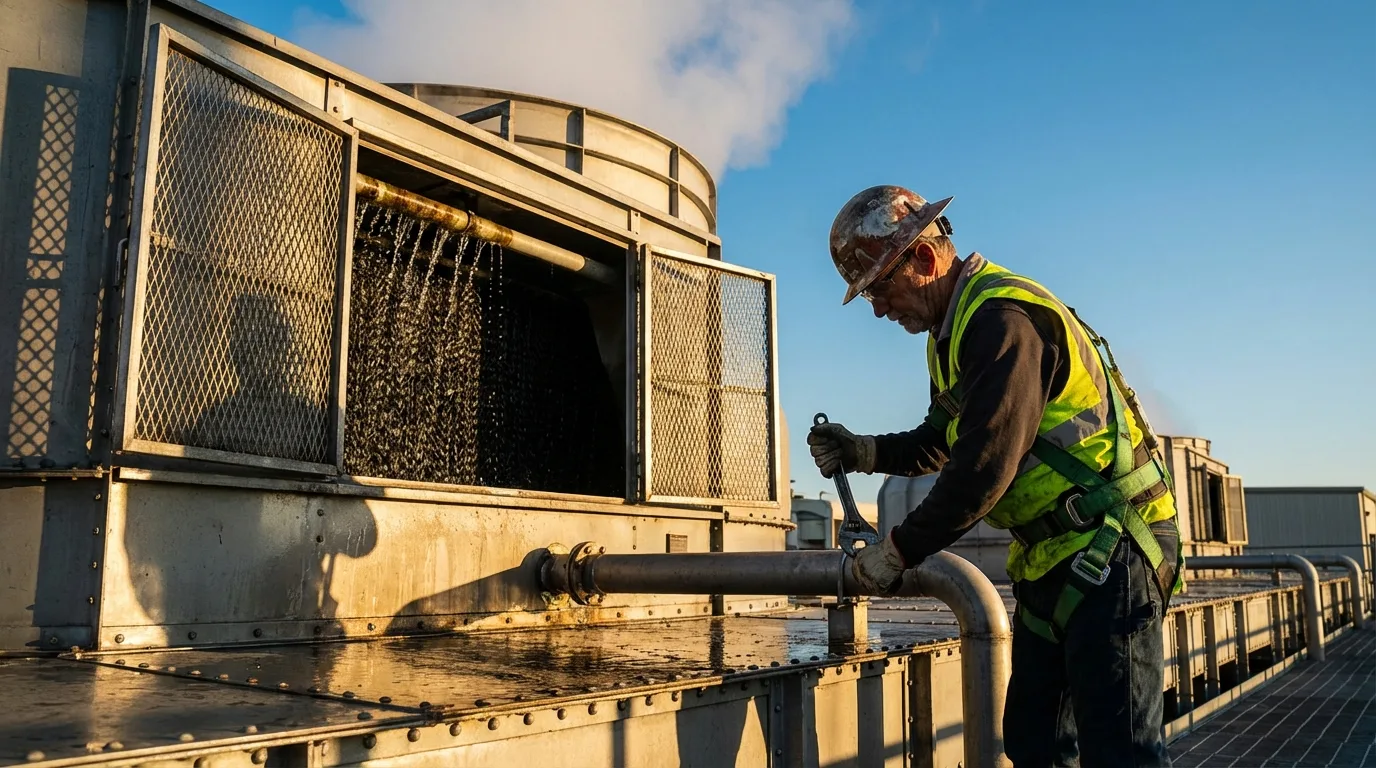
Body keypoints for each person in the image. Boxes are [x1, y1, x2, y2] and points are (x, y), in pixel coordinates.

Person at [807, 185, 1185, 767]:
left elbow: (983, 470)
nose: (879, 309)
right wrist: (864, 451)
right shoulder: (950, 334)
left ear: (926, 260)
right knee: (1034, 741)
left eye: (880, 288)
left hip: (1111, 550)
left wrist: (897, 551)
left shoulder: (1001, 322)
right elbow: (941, 442)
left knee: (1121, 753)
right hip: (1058, 554)